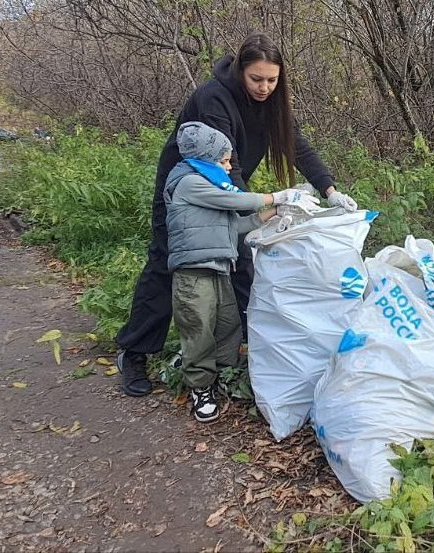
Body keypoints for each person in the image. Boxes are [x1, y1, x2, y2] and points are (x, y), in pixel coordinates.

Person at [116, 33, 358, 397]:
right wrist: (264, 203)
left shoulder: (273, 102)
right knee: (170, 263)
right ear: (241, 71)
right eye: (256, 79)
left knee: (243, 257)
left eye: (272, 80)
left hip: (227, 189)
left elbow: (297, 146)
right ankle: (134, 352)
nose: (264, 87)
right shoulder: (214, 98)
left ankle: (250, 347)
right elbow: (226, 167)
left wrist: (330, 190)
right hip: (186, 194)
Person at [166, 121, 316, 421]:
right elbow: (235, 201)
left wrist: (274, 213)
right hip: (193, 273)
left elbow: (235, 226)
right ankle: (200, 385)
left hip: (219, 266)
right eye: (223, 160)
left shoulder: (209, 188)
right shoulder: (189, 182)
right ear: (204, 158)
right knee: (199, 328)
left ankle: (221, 373)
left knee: (228, 324)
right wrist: (279, 196)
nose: (227, 166)